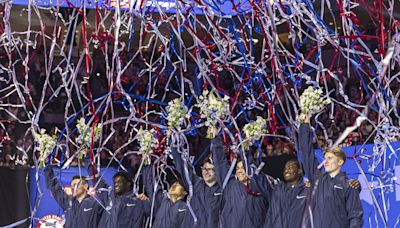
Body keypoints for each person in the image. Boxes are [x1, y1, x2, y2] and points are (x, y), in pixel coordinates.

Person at [298, 114, 363, 227]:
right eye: (325, 158)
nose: (325, 162)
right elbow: (306, 153)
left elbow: (355, 216)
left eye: (330, 158)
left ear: (340, 162)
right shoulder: (317, 178)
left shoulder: (349, 185)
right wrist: (304, 125)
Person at [212, 136, 270, 228]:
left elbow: (250, 167)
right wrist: (215, 138)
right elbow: (220, 163)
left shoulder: (260, 186)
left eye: (243, 168)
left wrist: (245, 149)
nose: (239, 171)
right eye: (237, 168)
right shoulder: (230, 185)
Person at [171, 142, 223, 228]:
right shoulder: (196, 185)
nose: (206, 172)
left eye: (210, 169)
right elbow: (182, 166)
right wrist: (174, 142)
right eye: (204, 168)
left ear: (217, 171)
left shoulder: (223, 190)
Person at [88, 163, 150, 228]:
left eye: (119, 182)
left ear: (128, 183)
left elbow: (155, 212)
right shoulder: (109, 196)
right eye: (115, 182)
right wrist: (88, 157)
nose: (116, 184)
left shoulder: (137, 201)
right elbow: (95, 177)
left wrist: (148, 201)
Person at [143, 162, 188, 228]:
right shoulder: (162, 201)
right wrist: (147, 163)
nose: (173, 186)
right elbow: (150, 185)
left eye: (177, 185)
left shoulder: (186, 208)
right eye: (173, 184)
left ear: (185, 192)